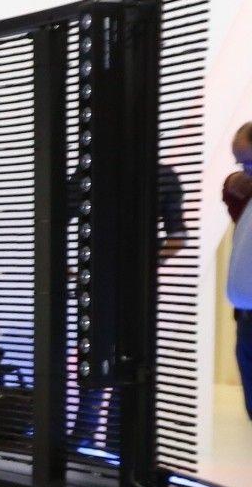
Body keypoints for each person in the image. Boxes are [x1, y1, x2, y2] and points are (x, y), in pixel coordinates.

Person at [68, 161, 190, 448]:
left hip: (116, 285)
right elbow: (178, 235)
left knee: (117, 357)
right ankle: (109, 437)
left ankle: (103, 436)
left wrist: (147, 265)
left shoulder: (97, 173)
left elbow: (178, 235)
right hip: (115, 285)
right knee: (112, 357)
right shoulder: (156, 175)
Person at [225, 122, 252, 418]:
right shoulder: (244, 192)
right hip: (247, 319)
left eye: (249, 163)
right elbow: (230, 190)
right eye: (241, 164)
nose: (245, 172)